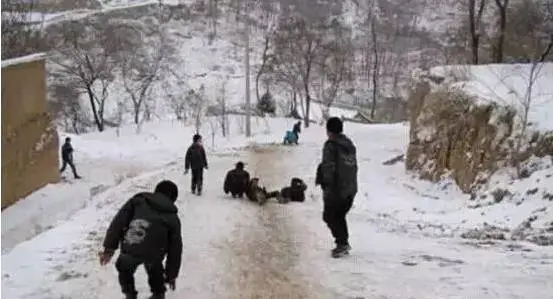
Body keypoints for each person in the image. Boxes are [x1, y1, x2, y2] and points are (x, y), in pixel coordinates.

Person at [98, 180, 183, 299]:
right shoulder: (173, 218)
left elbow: (118, 222)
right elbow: (175, 248)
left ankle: (129, 294)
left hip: (132, 244)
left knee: (124, 267)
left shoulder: (138, 201)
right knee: (155, 268)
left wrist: (109, 248)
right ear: (173, 199)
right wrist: (171, 275)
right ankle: (158, 294)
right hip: (155, 252)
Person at [316, 117, 358, 258]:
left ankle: (342, 243)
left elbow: (328, 167)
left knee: (329, 216)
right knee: (339, 216)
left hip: (336, 189)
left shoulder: (331, 146)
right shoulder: (349, 145)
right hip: (350, 190)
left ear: (329, 131)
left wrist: (326, 185)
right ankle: (343, 242)